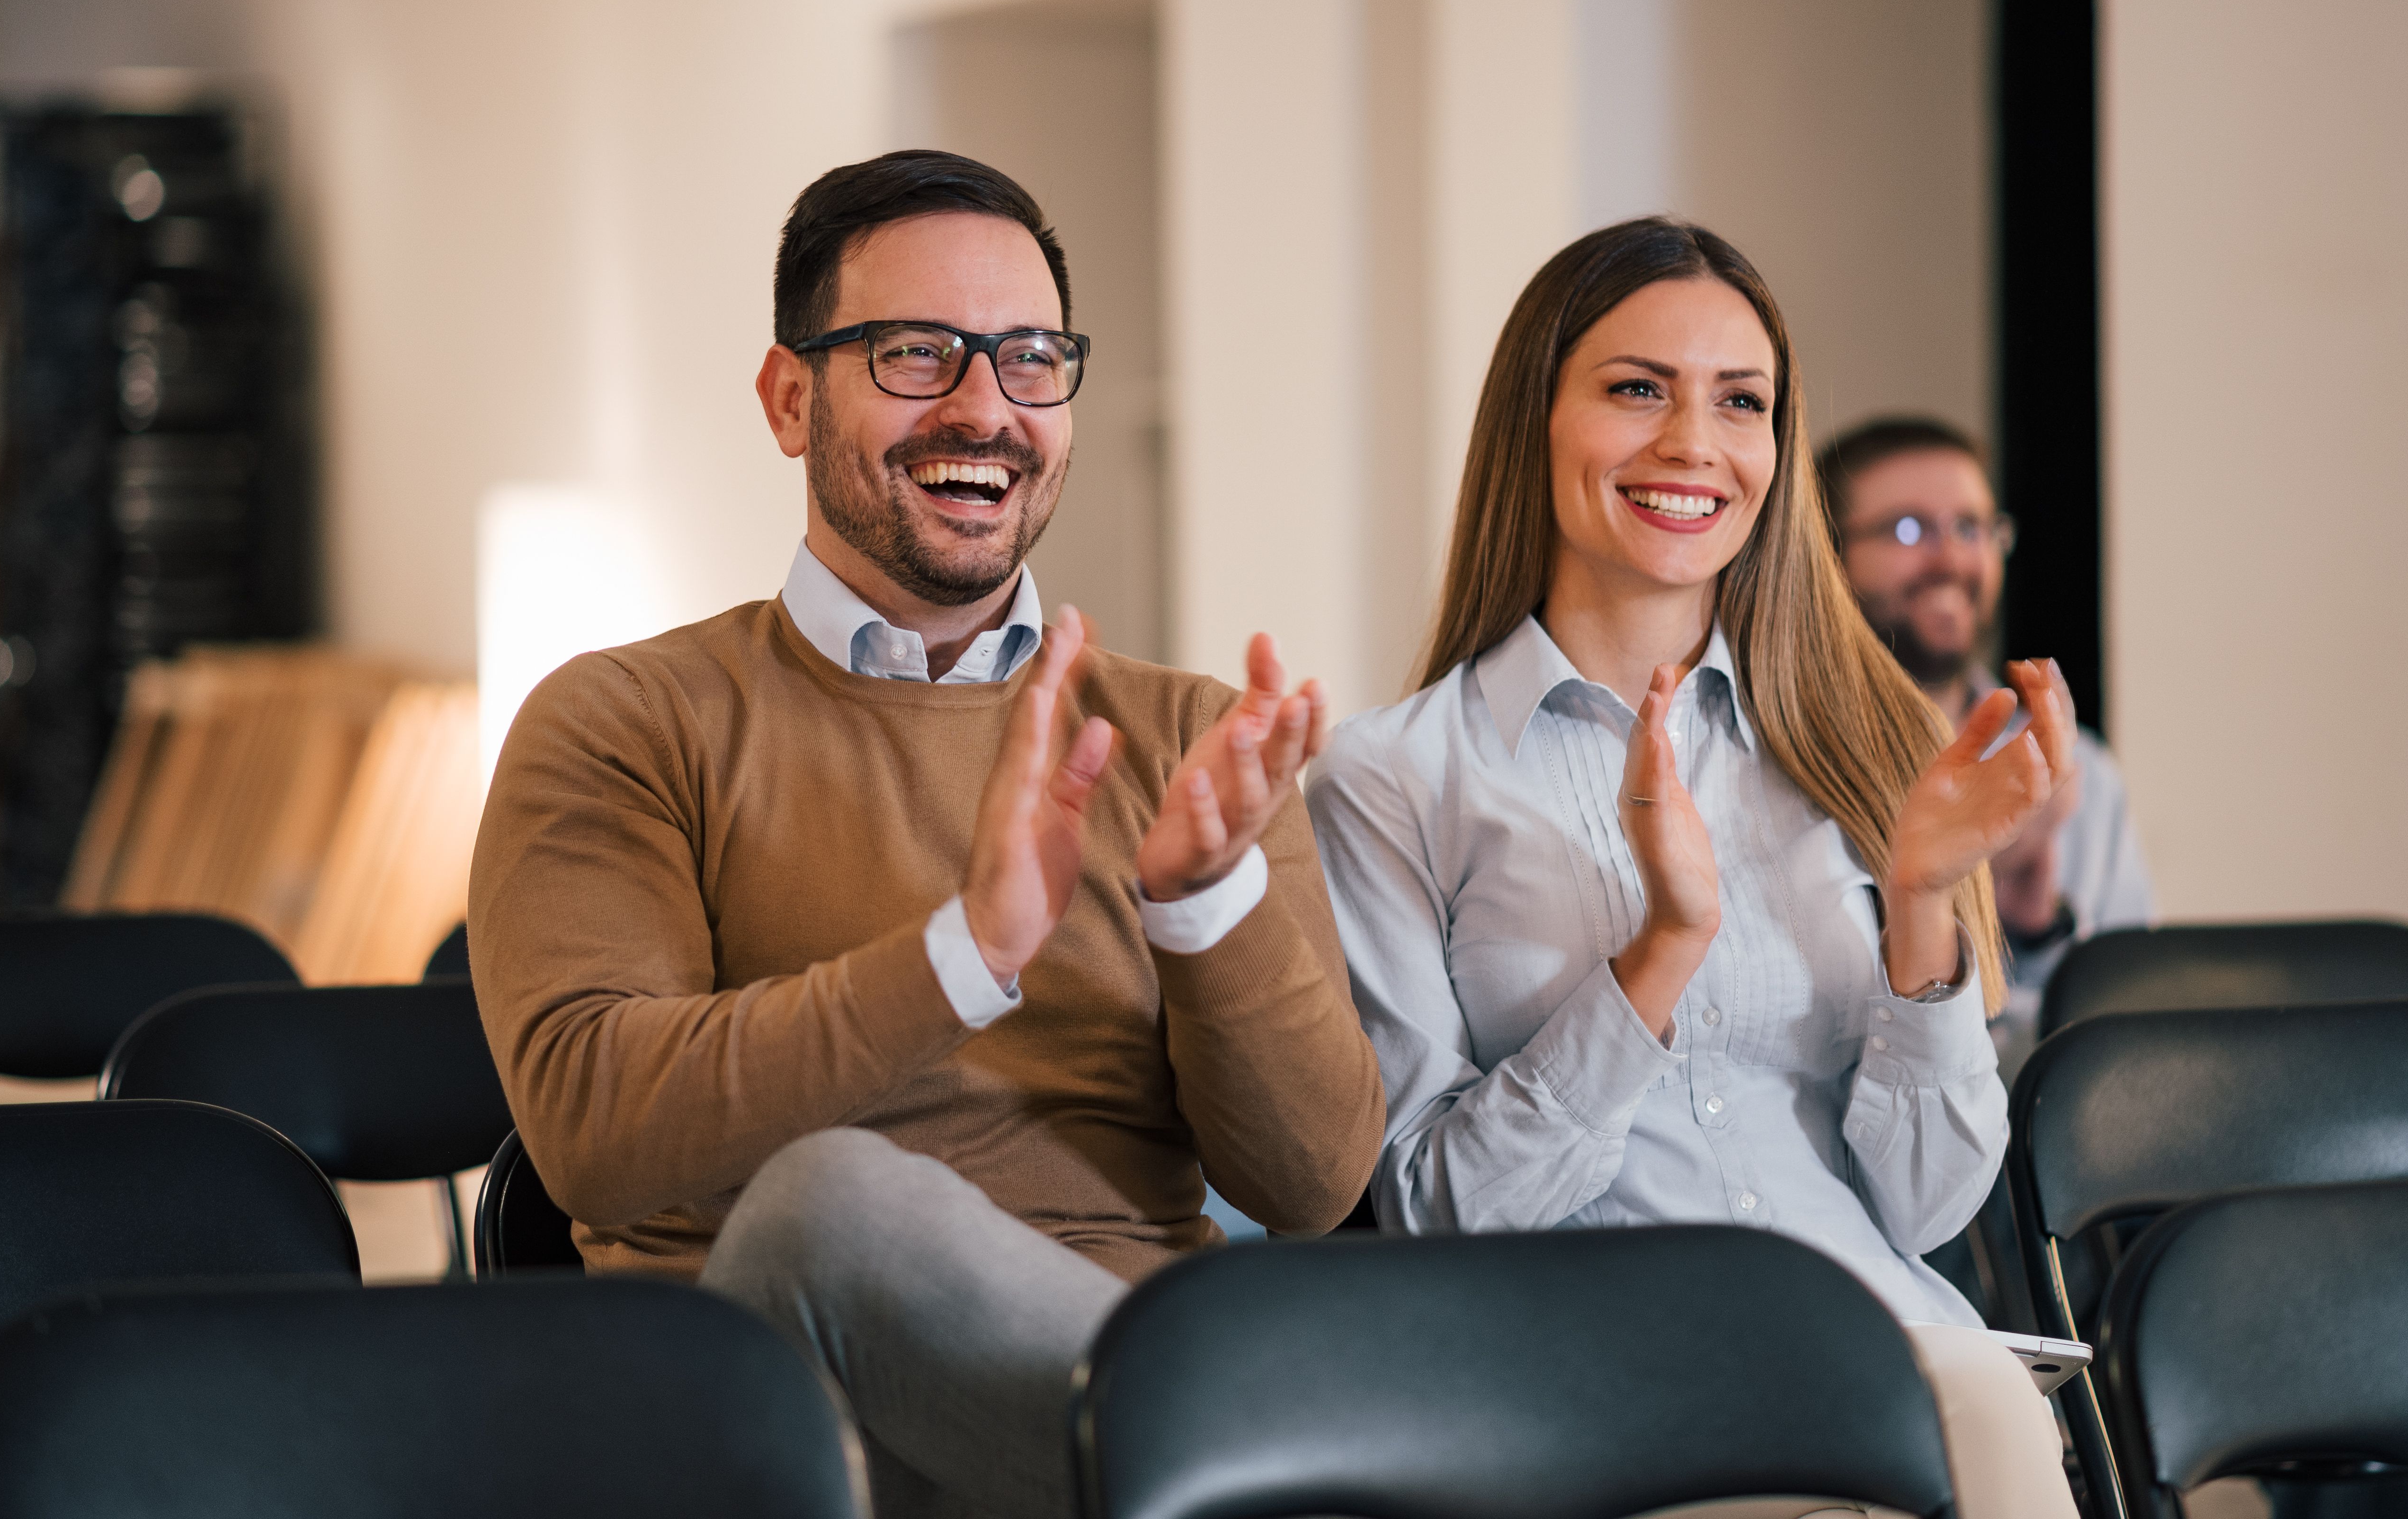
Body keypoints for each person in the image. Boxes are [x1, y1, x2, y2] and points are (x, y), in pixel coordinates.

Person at [468, 150, 1383, 1519]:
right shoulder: (623, 720)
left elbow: (1313, 1187)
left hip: (1104, 1418)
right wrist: (963, 956)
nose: (985, 409)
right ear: (791, 398)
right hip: (787, 1430)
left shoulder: (1193, 739)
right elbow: (592, 1130)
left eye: (1029, 359)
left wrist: (1203, 907)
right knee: (835, 1202)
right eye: (917, 355)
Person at [1308, 216, 2082, 1518]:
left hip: (1891, 1364)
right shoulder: (1389, 780)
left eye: (1741, 402)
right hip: (1592, 1395)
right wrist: (1658, 952)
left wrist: (1920, 903)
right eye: (1635, 391)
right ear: (1533, 422)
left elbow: (1932, 1203)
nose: (1693, 446)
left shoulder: (1864, 742)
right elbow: (1441, 1218)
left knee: (1985, 1413)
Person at [1819, 415, 2155, 1056]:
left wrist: (2033, 929)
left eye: (1972, 528)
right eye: (1908, 529)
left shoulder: (2076, 767)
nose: (1950, 559)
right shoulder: (1786, 763)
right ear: (1826, 556)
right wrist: (1955, 887)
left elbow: (2126, 1029)